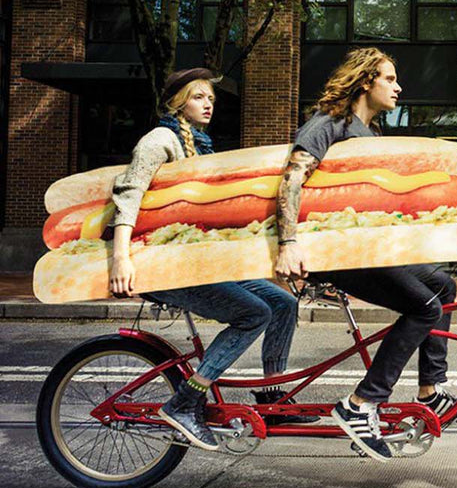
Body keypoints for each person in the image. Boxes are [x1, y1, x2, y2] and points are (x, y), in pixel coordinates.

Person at [274, 47, 457, 462]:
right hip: (338, 253)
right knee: (424, 307)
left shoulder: (369, 134)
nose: (398, 87)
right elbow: (292, 179)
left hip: (369, 249)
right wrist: (288, 244)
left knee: (443, 286)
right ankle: (361, 402)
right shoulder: (329, 123)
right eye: (389, 78)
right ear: (366, 81)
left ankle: (430, 390)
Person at [109, 68, 316, 452]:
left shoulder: (201, 147)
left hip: (199, 262)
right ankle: (185, 400)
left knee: (283, 303)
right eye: (199, 97)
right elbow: (129, 194)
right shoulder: (160, 140)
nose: (208, 105)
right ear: (178, 102)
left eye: (211, 99)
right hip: (165, 266)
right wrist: (121, 258)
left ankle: (272, 397)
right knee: (254, 313)